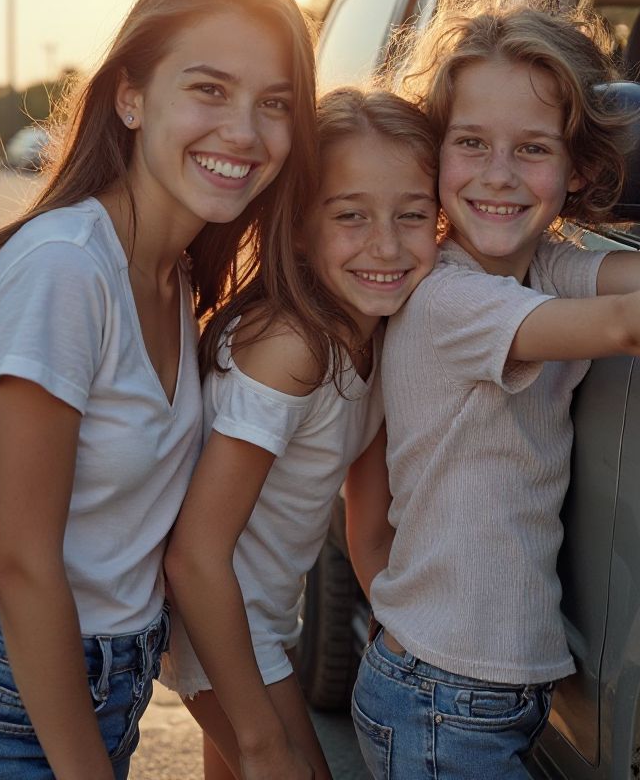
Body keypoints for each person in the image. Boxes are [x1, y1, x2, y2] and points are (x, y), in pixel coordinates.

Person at [348, 0, 640, 780]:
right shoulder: (451, 298)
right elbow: (625, 324)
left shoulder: (545, 262)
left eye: (532, 148)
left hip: (486, 689)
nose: (498, 174)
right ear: (434, 154)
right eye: (471, 143)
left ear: (575, 168)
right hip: (440, 695)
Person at [0, 0, 318, 780]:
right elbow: (20, 561)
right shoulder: (66, 270)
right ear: (129, 96)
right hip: (5, 704)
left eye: (274, 103)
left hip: (96, 688)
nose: (245, 130)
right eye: (209, 89)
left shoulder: (179, 273)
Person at [159, 88, 440, 780]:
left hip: (259, 625)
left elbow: (369, 532)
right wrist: (258, 738)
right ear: (298, 229)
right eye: (351, 216)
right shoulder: (293, 349)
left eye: (413, 215)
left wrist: (415, 640)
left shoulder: (377, 338)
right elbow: (194, 555)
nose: (386, 245)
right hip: (217, 630)